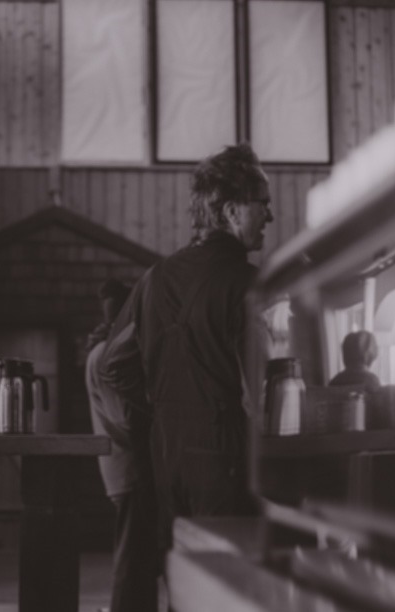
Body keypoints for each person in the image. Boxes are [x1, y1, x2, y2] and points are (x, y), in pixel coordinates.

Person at [105, 143, 272, 552]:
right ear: (232, 212)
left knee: (182, 580)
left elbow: (112, 364)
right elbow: (259, 394)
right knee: (229, 585)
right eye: (262, 204)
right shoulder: (249, 286)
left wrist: (163, 410)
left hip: (167, 453)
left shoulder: (154, 279)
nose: (269, 215)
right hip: (226, 455)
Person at [86, 279, 158, 612]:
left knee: (137, 557)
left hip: (123, 469)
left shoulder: (100, 352)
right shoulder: (106, 357)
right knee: (131, 560)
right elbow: (126, 419)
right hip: (130, 469)